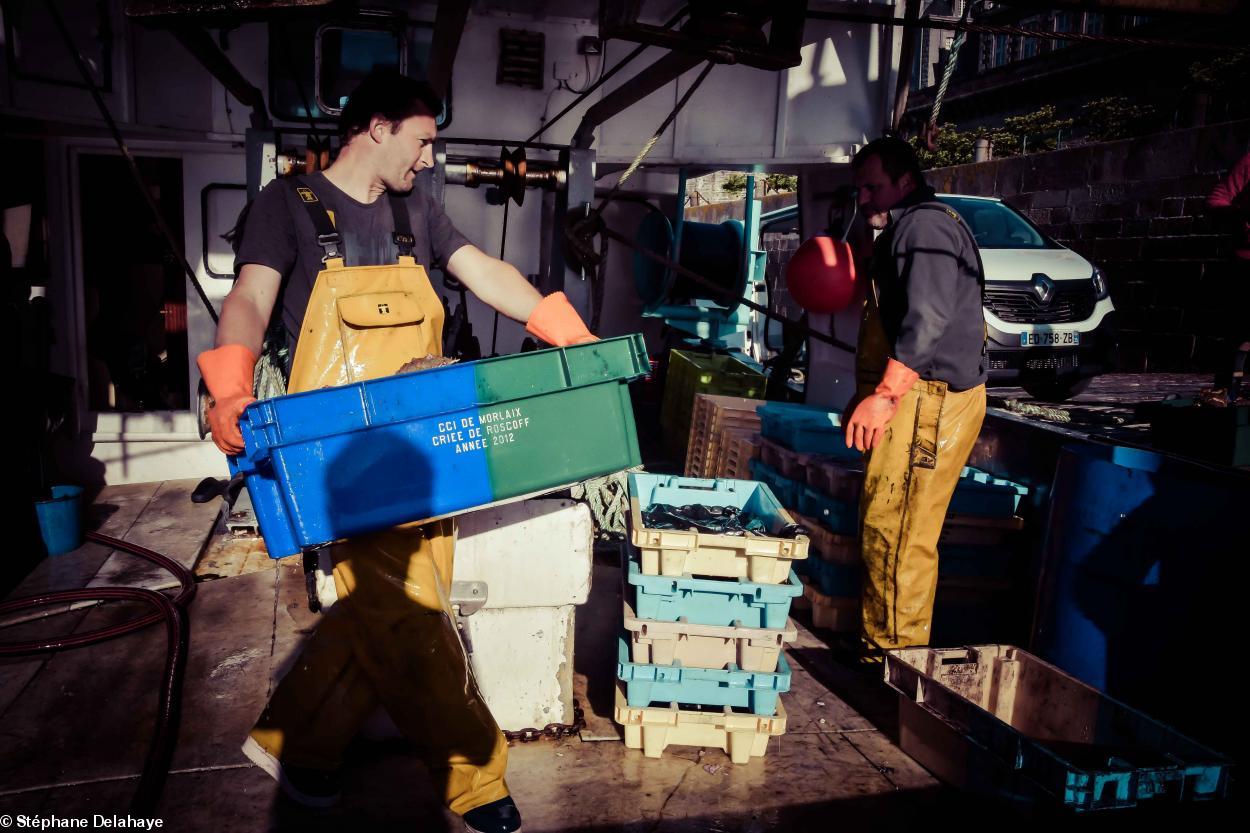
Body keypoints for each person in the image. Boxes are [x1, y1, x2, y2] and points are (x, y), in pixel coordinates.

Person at [196, 69, 594, 833]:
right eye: (422, 141)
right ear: (376, 127)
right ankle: (476, 775)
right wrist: (231, 383)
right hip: (342, 459)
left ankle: (298, 745)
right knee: (409, 611)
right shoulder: (289, 206)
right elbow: (249, 295)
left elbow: (482, 271)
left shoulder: (418, 211)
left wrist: (561, 326)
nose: (429, 159)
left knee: (390, 606)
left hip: (424, 451)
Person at [845, 137, 987, 655]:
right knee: (888, 523)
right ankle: (880, 647)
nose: (864, 198)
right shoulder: (905, 227)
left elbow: (928, 320)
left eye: (873, 187)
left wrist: (885, 395)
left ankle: (895, 663)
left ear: (906, 181)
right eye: (859, 188)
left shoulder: (924, 227)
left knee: (899, 531)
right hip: (919, 396)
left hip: (930, 401)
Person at [1205, 148, 1250, 397]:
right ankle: (1224, 396)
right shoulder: (1249, 162)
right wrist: (1243, 216)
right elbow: (1215, 201)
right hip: (1246, 262)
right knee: (1240, 335)